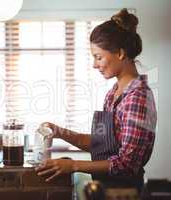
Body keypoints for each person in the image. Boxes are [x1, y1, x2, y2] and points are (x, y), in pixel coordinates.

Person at [35, 8, 157, 193]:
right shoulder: (114, 93)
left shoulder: (137, 98)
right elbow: (102, 145)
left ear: (121, 53)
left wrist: (73, 166)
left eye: (98, 57)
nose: (94, 64)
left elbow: (127, 164)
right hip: (104, 189)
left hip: (124, 193)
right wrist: (59, 131)